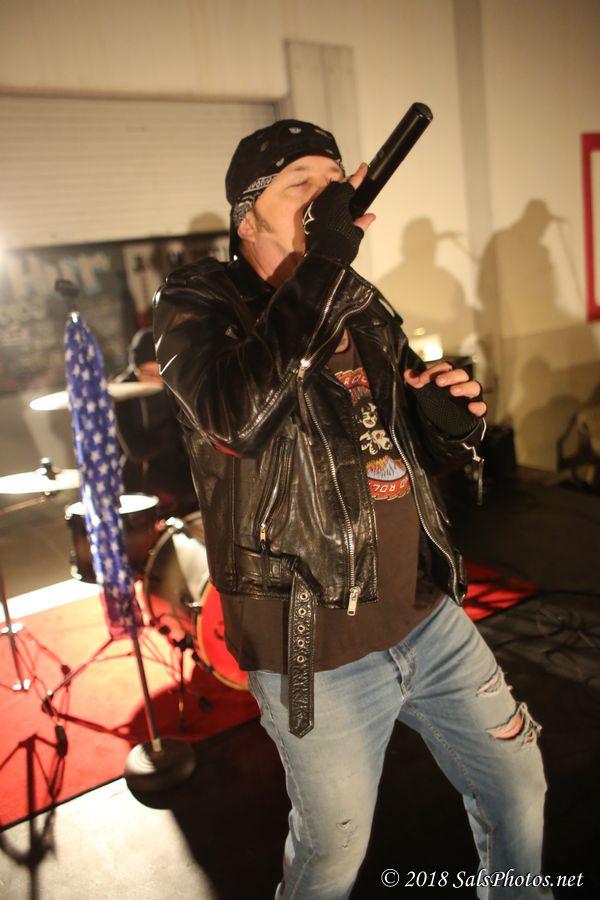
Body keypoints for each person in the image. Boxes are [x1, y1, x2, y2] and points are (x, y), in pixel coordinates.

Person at [153, 120, 550, 899]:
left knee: (518, 786)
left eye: (334, 184)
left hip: (424, 614)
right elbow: (236, 416)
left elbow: (392, 441)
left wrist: (451, 426)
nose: (324, 198)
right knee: (332, 855)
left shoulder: (359, 303)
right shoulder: (200, 301)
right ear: (247, 218)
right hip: (313, 647)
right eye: (300, 184)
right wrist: (328, 258)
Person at [112, 328, 196, 517]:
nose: (153, 380)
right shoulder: (121, 394)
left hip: (182, 474)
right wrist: (173, 430)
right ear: (134, 369)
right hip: (143, 479)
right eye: (146, 373)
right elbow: (136, 451)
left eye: (158, 373)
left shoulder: (176, 384)